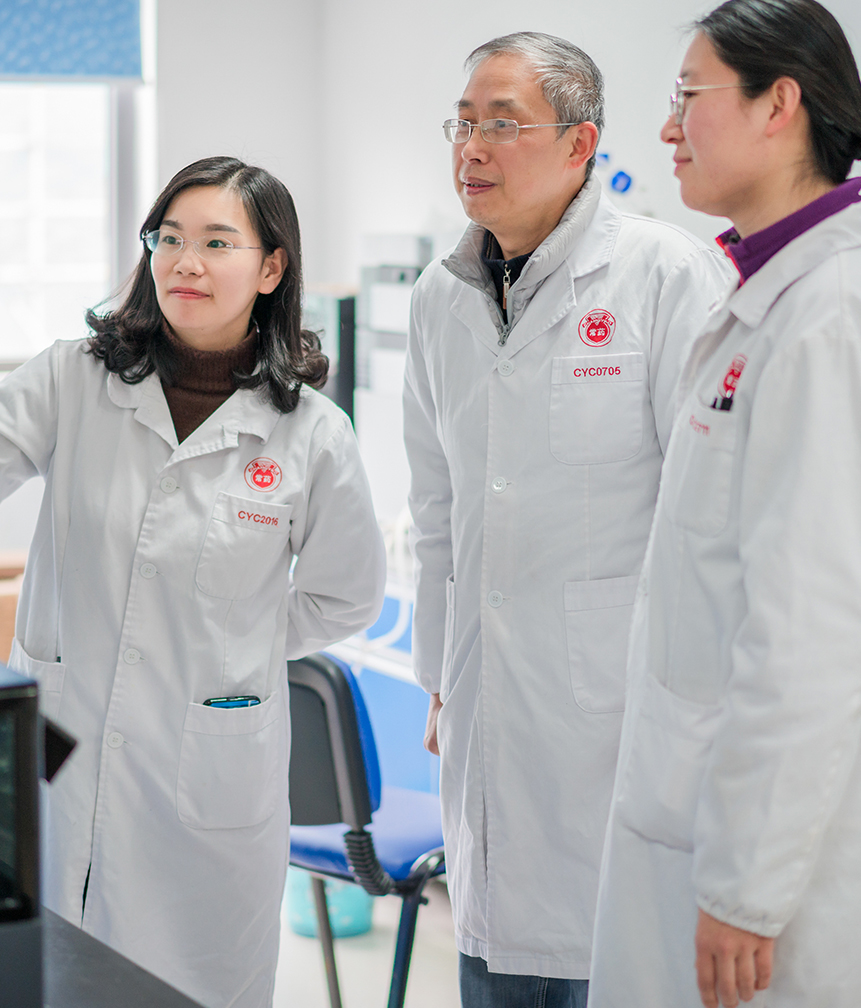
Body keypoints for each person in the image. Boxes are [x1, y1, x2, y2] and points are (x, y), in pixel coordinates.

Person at [0, 156, 386, 1008]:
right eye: (168, 238)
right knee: (42, 975)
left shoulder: (311, 434)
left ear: (271, 267)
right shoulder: (72, 379)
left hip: (207, 780)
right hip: (62, 757)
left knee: (190, 985)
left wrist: (231, 643)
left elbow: (345, 594)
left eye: (216, 242)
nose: (185, 262)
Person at [403, 32, 730, 1008]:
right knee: (494, 961)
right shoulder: (438, 300)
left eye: (502, 124)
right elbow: (435, 510)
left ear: (580, 144)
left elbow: (709, 517)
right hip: (483, 702)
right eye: (462, 124)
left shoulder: (666, 277)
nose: (472, 147)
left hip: (623, 717)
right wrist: (439, 679)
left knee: (612, 961)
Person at [588, 2, 861, 1006]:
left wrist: (746, 885)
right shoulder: (765, 296)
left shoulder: (829, 315)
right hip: (689, 811)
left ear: (778, 104)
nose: (666, 128)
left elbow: (812, 632)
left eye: (687, 97)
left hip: (772, 878)